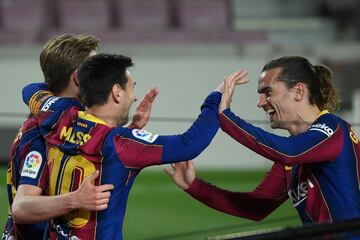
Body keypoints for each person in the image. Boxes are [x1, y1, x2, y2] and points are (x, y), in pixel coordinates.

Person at [21, 53, 249, 240]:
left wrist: (133, 124)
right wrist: (218, 97)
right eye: (131, 88)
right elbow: (190, 144)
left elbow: (30, 90)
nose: (135, 96)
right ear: (116, 92)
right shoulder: (122, 143)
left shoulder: (60, 115)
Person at [165, 56, 360, 231]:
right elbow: (255, 208)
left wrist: (227, 118)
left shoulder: (332, 128)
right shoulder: (292, 156)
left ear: (299, 91)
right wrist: (194, 185)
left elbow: (290, 152)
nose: (260, 102)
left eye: (268, 92)